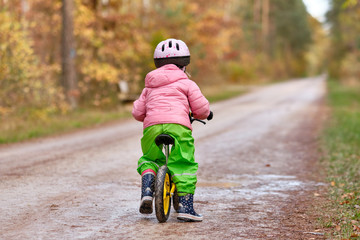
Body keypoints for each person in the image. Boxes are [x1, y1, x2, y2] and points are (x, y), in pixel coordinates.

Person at [132, 38, 213, 222]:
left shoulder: (149, 86)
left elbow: (137, 113)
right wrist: (206, 114)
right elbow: (201, 110)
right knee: (183, 163)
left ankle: (147, 189)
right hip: (178, 126)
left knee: (150, 158)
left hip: (152, 127)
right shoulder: (187, 84)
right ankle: (185, 206)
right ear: (184, 65)